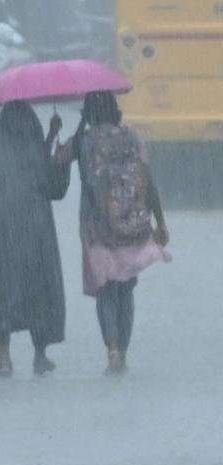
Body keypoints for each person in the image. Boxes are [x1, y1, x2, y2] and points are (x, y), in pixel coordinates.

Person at [55, 91, 170, 375]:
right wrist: (161, 221)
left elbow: (58, 160)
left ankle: (113, 350)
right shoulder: (132, 137)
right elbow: (148, 178)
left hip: (97, 227)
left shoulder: (84, 141)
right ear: (115, 110)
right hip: (132, 224)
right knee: (126, 288)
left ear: (89, 113)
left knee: (106, 289)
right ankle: (124, 350)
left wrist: (77, 126)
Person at [0, 102, 71, 377]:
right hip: (32, 237)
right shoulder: (35, 157)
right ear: (31, 125)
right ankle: (40, 355)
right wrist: (57, 148)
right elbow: (55, 188)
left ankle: (4, 360)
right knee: (38, 293)